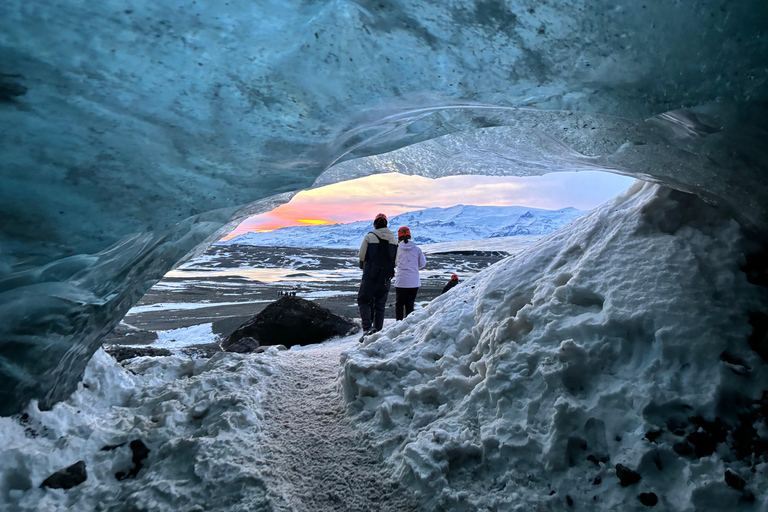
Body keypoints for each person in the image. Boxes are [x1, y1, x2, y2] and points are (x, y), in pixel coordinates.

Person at [357, 213, 398, 336]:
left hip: (370, 275)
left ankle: (367, 328)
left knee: (363, 300)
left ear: (375, 224)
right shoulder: (394, 239)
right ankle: (378, 331)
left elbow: (361, 255)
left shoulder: (370, 236)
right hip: (386, 278)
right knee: (380, 305)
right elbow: (395, 260)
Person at [394, 226, 426, 320]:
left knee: (399, 304)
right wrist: (414, 269)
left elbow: (394, 263)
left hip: (401, 281)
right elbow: (423, 263)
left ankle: (398, 324)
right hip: (414, 281)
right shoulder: (417, 249)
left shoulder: (397, 249)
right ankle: (408, 326)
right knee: (410, 305)